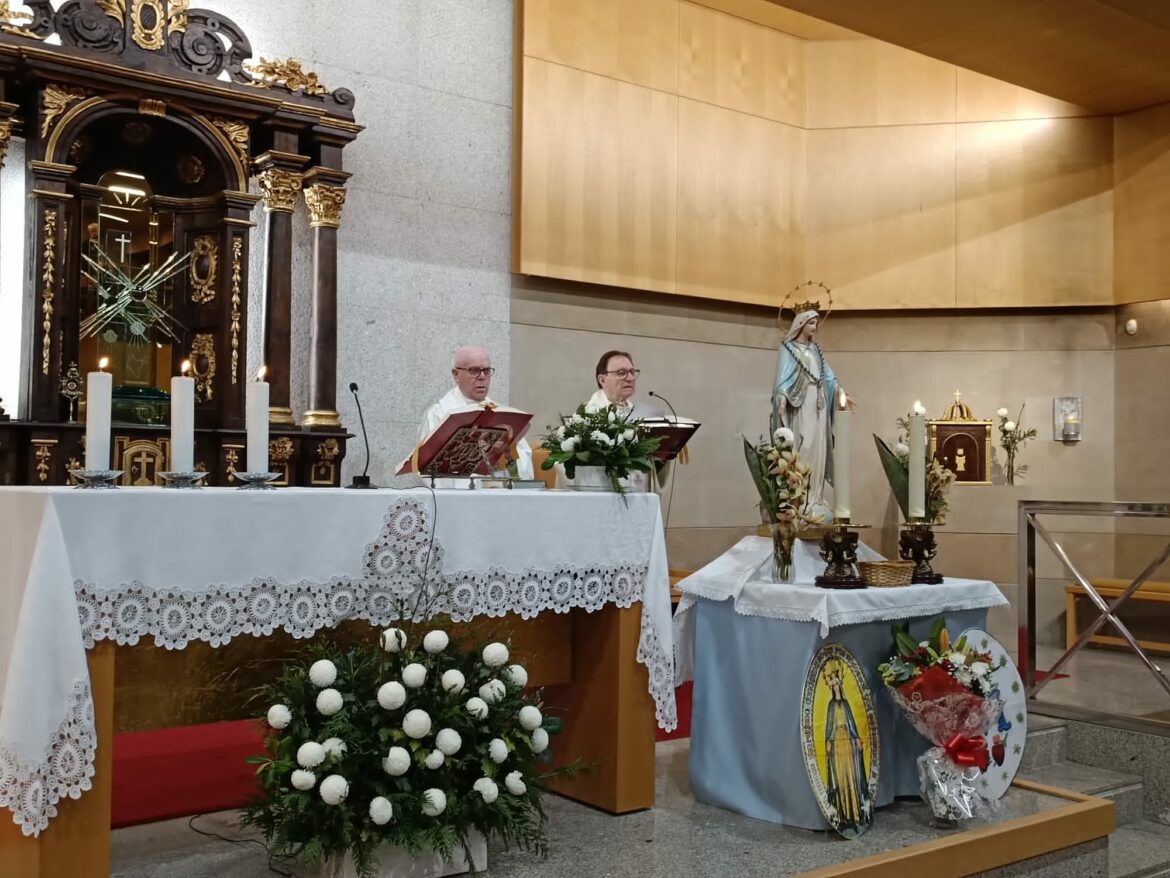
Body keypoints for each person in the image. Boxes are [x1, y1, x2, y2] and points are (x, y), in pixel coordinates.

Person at [771, 310, 851, 520]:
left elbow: (829, 377)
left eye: (816, 324)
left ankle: (815, 497)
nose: (815, 328)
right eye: (811, 323)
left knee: (819, 448)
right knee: (804, 445)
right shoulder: (788, 348)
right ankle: (799, 498)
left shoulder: (816, 349)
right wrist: (781, 396)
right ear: (801, 324)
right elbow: (782, 378)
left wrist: (840, 391)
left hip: (820, 403)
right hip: (801, 403)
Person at [415, 345, 533, 479]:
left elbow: (525, 465)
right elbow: (427, 468)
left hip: (501, 495)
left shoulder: (502, 415)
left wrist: (509, 456)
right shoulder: (439, 414)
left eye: (486, 370)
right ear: (456, 374)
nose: (482, 377)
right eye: (474, 370)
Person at [824, 663, 869, 829]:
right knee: (841, 778)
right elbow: (829, 725)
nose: (836, 688)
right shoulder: (831, 705)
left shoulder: (846, 704)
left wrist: (856, 738)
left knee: (852, 776)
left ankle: (856, 814)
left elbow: (852, 724)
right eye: (833, 685)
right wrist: (828, 740)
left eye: (838, 685)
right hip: (837, 743)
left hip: (848, 742)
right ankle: (844, 816)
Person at [585, 350, 664, 419]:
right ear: (602, 380)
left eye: (632, 372)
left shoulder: (643, 413)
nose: (630, 378)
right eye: (621, 373)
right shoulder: (588, 416)